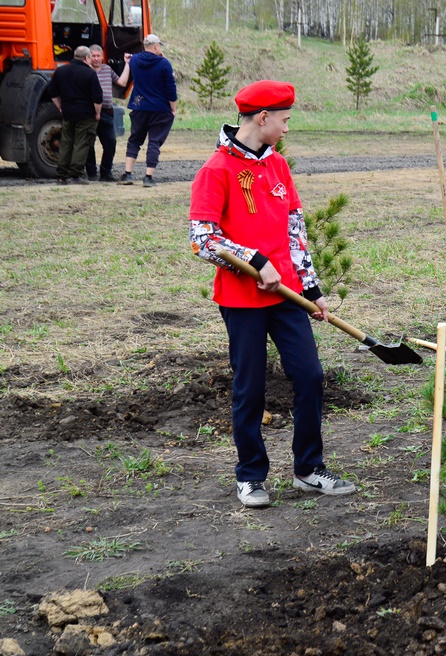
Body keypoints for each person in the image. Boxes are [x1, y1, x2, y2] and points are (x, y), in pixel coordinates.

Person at [189, 80, 355, 508]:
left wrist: (312, 288)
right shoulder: (216, 170)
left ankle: (309, 469)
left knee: (310, 377)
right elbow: (202, 239)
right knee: (251, 387)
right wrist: (255, 259)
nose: (286, 128)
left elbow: (295, 233)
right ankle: (250, 476)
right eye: (283, 120)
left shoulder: (279, 166)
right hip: (241, 301)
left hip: (288, 297)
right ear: (261, 118)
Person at [120, 34, 176, 187]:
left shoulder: (135, 60)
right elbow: (171, 89)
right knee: (154, 141)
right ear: (156, 47)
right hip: (160, 108)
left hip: (139, 106)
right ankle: (148, 177)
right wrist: (173, 108)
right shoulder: (164, 64)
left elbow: (130, 68)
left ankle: (128, 174)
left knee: (135, 139)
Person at [47, 46, 102, 185]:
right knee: (81, 143)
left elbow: (52, 92)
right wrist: (97, 113)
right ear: (87, 58)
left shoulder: (60, 71)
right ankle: (75, 175)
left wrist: (60, 107)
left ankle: (61, 175)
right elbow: (97, 98)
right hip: (86, 114)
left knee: (66, 143)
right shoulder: (89, 73)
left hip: (68, 113)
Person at [85, 45, 130, 182]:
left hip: (107, 112)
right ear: (88, 57)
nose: (96, 59)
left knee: (110, 142)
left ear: (103, 56)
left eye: (99, 56)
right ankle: (91, 173)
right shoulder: (85, 71)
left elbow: (122, 82)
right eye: (93, 56)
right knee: (88, 144)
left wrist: (128, 65)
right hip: (89, 112)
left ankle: (106, 173)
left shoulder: (107, 69)